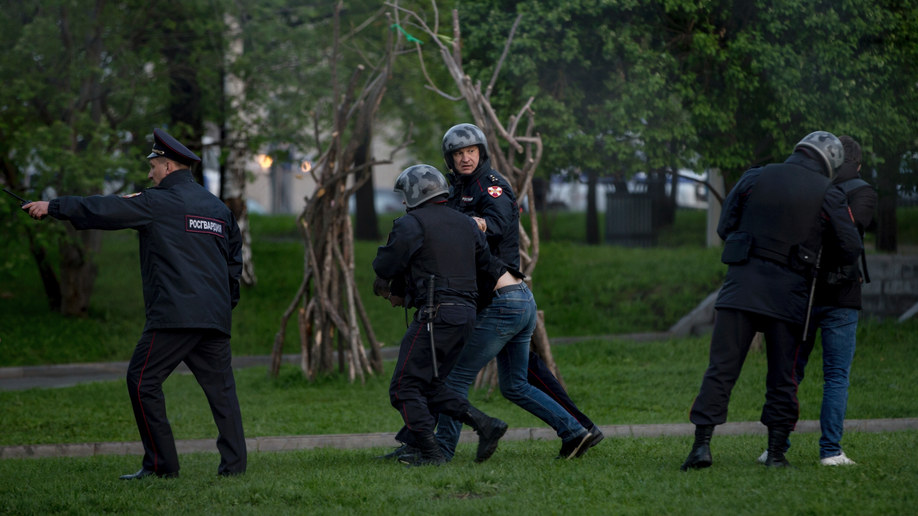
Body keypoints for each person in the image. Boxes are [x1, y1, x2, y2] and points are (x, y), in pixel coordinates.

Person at [24, 129, 247, 479]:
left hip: (175, 315)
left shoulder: (157, 202)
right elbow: (235, 262)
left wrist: (54, 206)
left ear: (169, 166)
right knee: (223, 393)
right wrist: (223, 303)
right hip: (214, 316)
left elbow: (108, 209)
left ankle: (162, 466)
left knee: (142, 382)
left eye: (154, 166)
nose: (150, 174)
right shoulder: (217, 208)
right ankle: (234, 468)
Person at [681, 131, 863, 471]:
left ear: (800, 150)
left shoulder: (755, 176)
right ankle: (776, 455)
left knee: (720, 371)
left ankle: (701, 447)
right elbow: (851, 248)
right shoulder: (830, 193)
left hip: (740, 289)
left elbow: (725, 227)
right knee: (783, 378)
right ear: (831, 164)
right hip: (790, 298)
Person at [436, 123, 598, 460]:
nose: (465, 158)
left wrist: (472, 223)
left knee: (453, 379)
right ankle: (575, 432)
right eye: (458, 153)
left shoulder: (493, 186)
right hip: (514, 301)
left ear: (481, 153)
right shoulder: (456, 190)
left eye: (471, 151)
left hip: (503, 301)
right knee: (514, 384)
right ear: (449, 159)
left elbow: (497, 225)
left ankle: (441, 451)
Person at [372, 164, 509, 467]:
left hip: (436, 315)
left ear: (413, 194)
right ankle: (486, 425)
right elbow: (488, 267)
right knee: (431, 386)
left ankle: (431, 453)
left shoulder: (410, 223)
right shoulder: (467, 224)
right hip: (466, 316)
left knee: (403, 388)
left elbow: (384, 266)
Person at [757, 135, 877, 466]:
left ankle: (776, 447)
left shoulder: (809, 185)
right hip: (842, 295)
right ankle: (830, 451)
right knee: (836, 375)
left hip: (801, 292)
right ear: (859, 163)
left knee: (790, 372)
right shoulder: (863, 191)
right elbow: (851, 234)